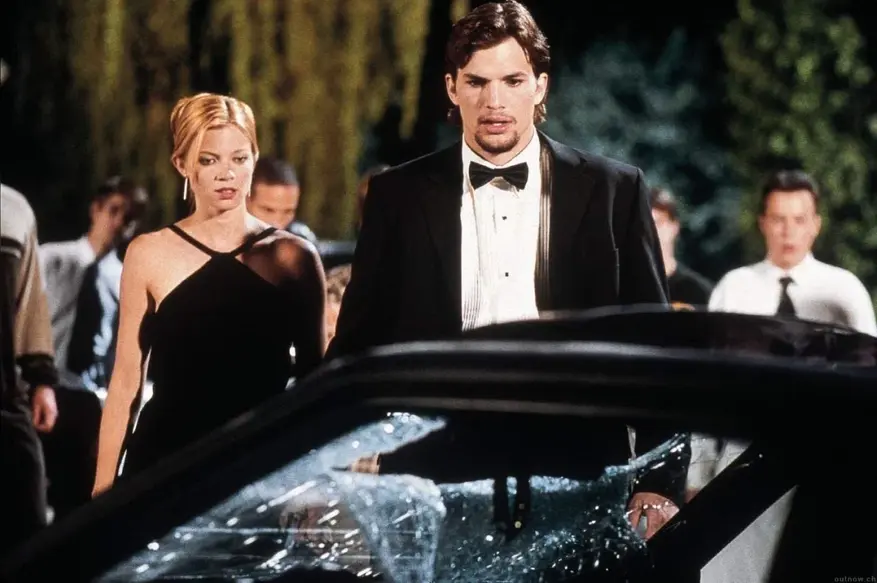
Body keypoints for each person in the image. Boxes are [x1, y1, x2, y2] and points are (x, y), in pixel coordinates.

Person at [328, 0, 676, 539]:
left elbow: (656, 347)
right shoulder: (398, 195)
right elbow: (357, 346)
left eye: (512, 81)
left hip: (580, 465)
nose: (494, 101)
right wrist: (317, 472)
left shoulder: (614, 190)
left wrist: (659, 480)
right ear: (452, 88)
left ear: (540, 86)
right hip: (434, 475)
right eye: (477, 82)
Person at [92, 93, 327, 495]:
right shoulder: (148, 254)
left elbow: (315, 385)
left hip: (259, 471)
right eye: (209, 159)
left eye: (239, 158)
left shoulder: (294, 258)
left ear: (254, 160)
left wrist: (312, 487)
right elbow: (126, 383)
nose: (226, 174)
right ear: (182, 164)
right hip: (164, 465)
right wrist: (102, 492)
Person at [709, 170, 876, 335]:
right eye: (778, 220)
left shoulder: (844, 289)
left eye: (799, 220)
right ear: (763, 224)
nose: (788, 231)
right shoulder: (733, 288)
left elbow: (869, 350)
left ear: (816, 225)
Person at [1, 184, 59, 552]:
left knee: (30, 529)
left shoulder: (13, 209)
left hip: (5, 397)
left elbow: (30, 300)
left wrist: (42, 380)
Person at [649, 187, 713, 309]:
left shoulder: (700, 293)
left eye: (658, 223)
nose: (652, 231)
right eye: (645, 225)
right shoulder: (622, 291)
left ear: (674, 226)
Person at [247, 156, 319, 245]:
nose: (278, 225)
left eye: (288, 212)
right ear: (246, 201)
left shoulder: (302, 242)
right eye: (268, 210)